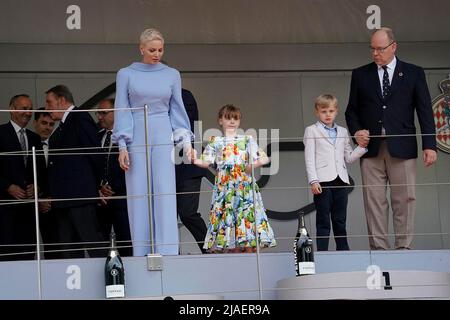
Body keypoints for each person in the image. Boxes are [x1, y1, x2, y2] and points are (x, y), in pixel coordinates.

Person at [345, 27, 437, 250]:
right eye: (372, 49)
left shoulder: (414, 73)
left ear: (393, 46)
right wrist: (356, 132)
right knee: (374, 201)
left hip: (402, 147)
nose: (375, 53)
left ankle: (403, 247)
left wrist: (430, 145)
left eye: (380, 49)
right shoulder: (360, 74)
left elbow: (424, 110)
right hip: (371, 149)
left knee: (404, 199)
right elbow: (351, 111)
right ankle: (379, 249)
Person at [113, 28, 193, 256]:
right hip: (136, 131)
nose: (157, 54)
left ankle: (167, 250)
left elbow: (177, 109)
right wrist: (122, 146)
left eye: (160, 49)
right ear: (141, 48)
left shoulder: (172, 74)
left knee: (164, 189)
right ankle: (142, 251)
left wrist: (185, 140)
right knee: (138, 191)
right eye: (151, 50)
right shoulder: (125, 74)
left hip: (162, 131)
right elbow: (122, 108)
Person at [189, 104, 277, 253]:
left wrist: (251, 166)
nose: (232, 122)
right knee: (227, 214)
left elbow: (264, 159)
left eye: (235, 119)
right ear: (220, 120)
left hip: (244, 185)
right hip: (225, 186)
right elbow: (205, 162)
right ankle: (231, 249)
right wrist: (193, 159)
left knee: (246, 214)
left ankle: (248, 250)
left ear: (239, 121)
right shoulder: (216, 141)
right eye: (228, 118)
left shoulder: (247, 139)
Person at [45, 84, 106, 258]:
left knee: (92, 242)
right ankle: (74, 286)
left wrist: (97, 185)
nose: (47, 108)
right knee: (69, 249)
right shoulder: (62, 127)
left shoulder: (80, 118)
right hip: (63, 200)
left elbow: (95, 153)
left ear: (61, 100)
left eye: (50, 103)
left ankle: (107, 281)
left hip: (80, 197)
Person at [304, 94, 367, 251]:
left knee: (340, 219)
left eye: (331, 111)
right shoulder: (311, 130)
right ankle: (323, 253)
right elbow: (309, 158)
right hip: (322, 182)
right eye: (324, 111)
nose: (328, 114)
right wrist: (313, 180)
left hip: (341, 180)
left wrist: (363, 147)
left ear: (336, 111)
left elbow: (349, 157)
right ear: (317, 112)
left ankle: (343, 251)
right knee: (323, 219)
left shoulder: (343, 131)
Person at [0, 94, 46, 260]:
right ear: (12, 109)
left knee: (27, 256)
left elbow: (41, 171)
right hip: (6, 209)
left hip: (28, 211)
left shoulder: (34, 138)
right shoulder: (1, 133)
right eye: (24, 108)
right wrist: (7, 186)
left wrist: (37, 186)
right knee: (6, 256)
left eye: (30, 109)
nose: (28, 112)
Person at [96, 98, 132, 256]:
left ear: (116, 113)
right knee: (99, 242)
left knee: (126, 241)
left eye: (103, 113)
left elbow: (131, 164)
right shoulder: (96, 136)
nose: (99, 117)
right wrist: (98, 187)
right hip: (100, 199)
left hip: (122, 198)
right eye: (98, 113)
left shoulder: (128, 137)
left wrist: (113, 188)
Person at [176, 89, 208, 254]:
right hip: (167, 168)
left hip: (188, 166)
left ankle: (210, 249)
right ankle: (172, 254)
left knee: (188, 213)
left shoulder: (184, 95)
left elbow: (185, 123)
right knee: (167, 216)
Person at [33, 107, 58, 259]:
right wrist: (39, 197)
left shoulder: (57, 144)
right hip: (30, 202)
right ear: (35, 122)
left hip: (53, 205)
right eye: (44, 123)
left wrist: (50, 199)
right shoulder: (26, 143)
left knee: (54, 247)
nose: (48, 127)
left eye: (51, 124)